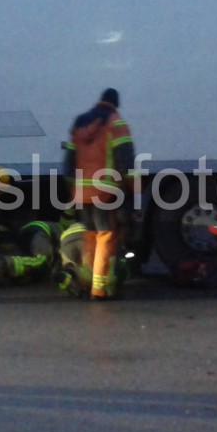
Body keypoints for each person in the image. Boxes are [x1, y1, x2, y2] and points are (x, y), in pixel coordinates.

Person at [64, 87, 135, 300]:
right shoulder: (115, 121)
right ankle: (100, 288)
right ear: (115, 103)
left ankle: (88, 280)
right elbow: (126, 159)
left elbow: (69, 161)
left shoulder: (79, 122)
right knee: (106, 236)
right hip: (105, 190)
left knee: (91, 236)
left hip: (81, 191)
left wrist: (72, 188)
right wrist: (131, 189)